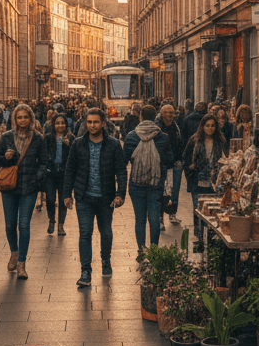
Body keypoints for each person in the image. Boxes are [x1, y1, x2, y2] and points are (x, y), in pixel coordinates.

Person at [63, 108, 126, 288]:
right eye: (89, 122)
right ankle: (85, 270)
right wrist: (67, 194)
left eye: (96, 122)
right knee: (85, 233)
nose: (92, 125)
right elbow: (70, 170)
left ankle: (105, 260)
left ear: (103, 123)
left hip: (106, 198)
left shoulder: (113, 145)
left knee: (106, 232)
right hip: (84, 197)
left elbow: (121, 171)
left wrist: (120, 194)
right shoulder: (78, 144)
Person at [0, 104, 48, 280]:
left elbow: (44, 161)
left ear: (31, 119)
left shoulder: (38, 138)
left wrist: (37, 177)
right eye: (19, 117)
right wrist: (6, 158)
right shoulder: (6, 137)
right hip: (9, 187)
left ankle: (22, 264)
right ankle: (14, 252)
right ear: (14, 119)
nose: (23, 120)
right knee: (10, 224)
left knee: (24, 224)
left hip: (29, 187)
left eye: (25, 117)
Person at [123, 105, 173, 261]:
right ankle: (153, 251)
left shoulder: (131, 137)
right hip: (155, 184)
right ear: (155, 116)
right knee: (153, 219)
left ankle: (141, 250)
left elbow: (124, 161)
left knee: (139, 219)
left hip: (136, 184)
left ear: (140, 117)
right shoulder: (163, 137)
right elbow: (169, 160)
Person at [183, 114, 227, 246]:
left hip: (215, 181)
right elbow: (186, 158)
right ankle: (199, 237)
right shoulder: (194, 140)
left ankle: (213, 237)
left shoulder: (220, 141)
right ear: (202, 126)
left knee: (214, 210)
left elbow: (225, 157)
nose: (210, 128)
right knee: (198, 209)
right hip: (198, 181)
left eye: (212, 125)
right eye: (207, 125)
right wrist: (190, 173)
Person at [43, 113, 74, 236]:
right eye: (57, 123)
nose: (60, 125)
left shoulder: (71, 138)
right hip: (50, 173)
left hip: (64, 175)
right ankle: (51, 219)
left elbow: (75, 157)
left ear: (66, 124)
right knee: (50, 199)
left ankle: (61, 226)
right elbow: (44, 155)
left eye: (62, 123)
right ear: (53, 124)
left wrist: (69, 145)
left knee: (63, 200)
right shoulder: (48, 138)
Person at [155, 104, 184, 228]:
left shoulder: (176, 126)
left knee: (175, 190)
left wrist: (180, 158)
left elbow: (179, 142)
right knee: (162, 192)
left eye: (171, 113)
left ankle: (172, 214)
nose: (169, 115)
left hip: (175, 163)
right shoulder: (157, 127)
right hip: (161, 164)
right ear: (162, 113)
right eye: (167, 112)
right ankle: (160, 218)